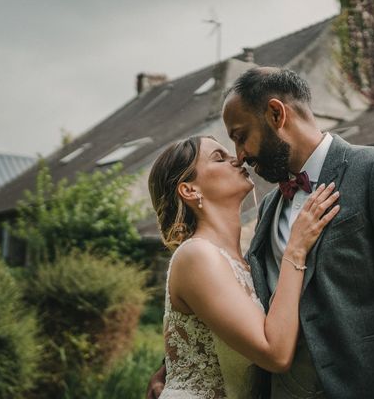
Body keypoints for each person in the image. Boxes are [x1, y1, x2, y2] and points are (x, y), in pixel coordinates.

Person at [149, 66, 374, 399]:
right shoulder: (268, 209)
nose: (241, 156)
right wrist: (178, 368)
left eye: (240, 136)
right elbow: (239, 304)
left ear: (276, 114)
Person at [146, 135, 340, 398]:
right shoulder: (196, 255)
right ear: (189, 190)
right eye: (219, 158)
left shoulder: (246, 262)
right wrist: (295, 248)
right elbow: (275, 355)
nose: (237, 159)